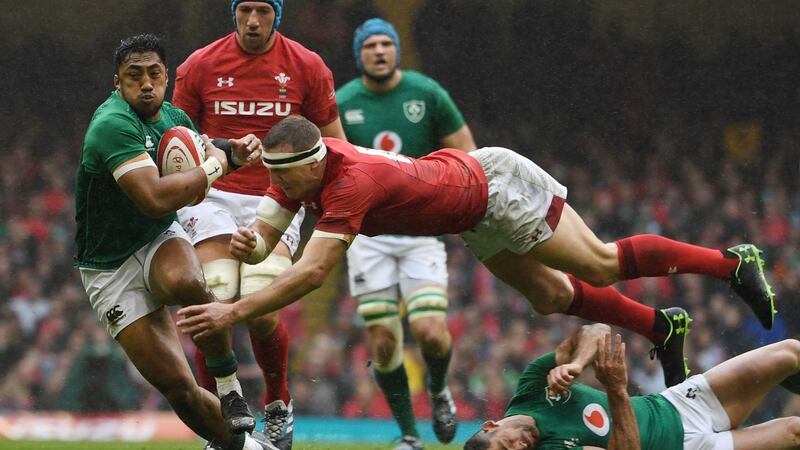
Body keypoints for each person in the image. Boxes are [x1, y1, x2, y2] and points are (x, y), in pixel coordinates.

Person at [176, 116, 775, 401]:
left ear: (310, 163)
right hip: (469, 214)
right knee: (549, 298)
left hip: (494, 186)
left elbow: (312, 272)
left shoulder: (347, 182)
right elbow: (266, 231)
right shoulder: (296, 171)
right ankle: (662, 326)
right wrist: (249, 243)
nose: (283, 187)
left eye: (289, 178)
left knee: (596, 262)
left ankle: (732, 262)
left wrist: (233, 314)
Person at [74, 33, 277, 450]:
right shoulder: (112, 125)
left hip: (156, 238)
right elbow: (154, 198)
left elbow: (200, 150)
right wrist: (219, 166)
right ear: (118, 82)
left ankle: (229, 388)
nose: (146, 84)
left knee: (188, 281)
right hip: (108, 268)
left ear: (166, 76)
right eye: (134, 76)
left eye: (154, 74)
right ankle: (252, 449)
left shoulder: (174, 118)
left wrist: (231, 151)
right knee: (179, 388)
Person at [171, 2, 346, 448]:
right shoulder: (199, 65)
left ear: (277, 14)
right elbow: (176, 140)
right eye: (245, 9)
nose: (253, 19)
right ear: (233, 13)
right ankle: (219, 420)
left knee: (261, 306)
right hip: (211, 194)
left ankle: (277, 402)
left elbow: (335, 145)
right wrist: (224, 149)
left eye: (263, 10)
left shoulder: (308, 66)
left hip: (279, 196)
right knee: (218, 292)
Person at [336, 18, 477, 450]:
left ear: (396, 49)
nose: (379, 51)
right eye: (370, 45)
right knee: (382, 342)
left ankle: (437, 391)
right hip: (370, 235)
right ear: (359, 54)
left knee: (432, 331)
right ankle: (409, 435)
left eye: (386, 44)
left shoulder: (427, 92)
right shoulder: (341, 102)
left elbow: (469, 154)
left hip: (420, 230)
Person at [463, 323, 800, 450]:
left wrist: (576, 364)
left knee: (789, 352)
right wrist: (616, 390)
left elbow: (595, 331)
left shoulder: (532, 390)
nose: (522, 449)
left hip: (679, 404)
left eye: (508, 447)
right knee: (794, 433)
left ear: (492, 426)